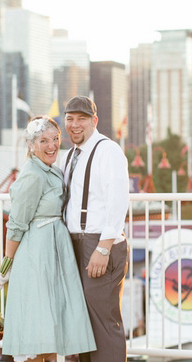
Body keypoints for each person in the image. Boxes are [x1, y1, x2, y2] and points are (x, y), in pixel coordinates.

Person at [0, 116, 96, 362]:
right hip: (37, 254)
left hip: (55, 252)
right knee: (39, 327)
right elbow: (16, 224)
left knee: (51, 326)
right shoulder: (32, 176)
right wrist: (6, 264)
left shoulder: (51, 170)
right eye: (43, 141)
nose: (52, 146)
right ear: (31, 145)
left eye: (55, 139)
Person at [62, 96, 130, 362]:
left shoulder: (108, 151)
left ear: (94, 121)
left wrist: (103, 247)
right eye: (70, 119)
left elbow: (118, 201)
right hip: (76, 244)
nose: (75, 125)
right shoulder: (70, 156)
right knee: (84, 323)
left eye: (82, 119)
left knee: (103, 321)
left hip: (100, 243)